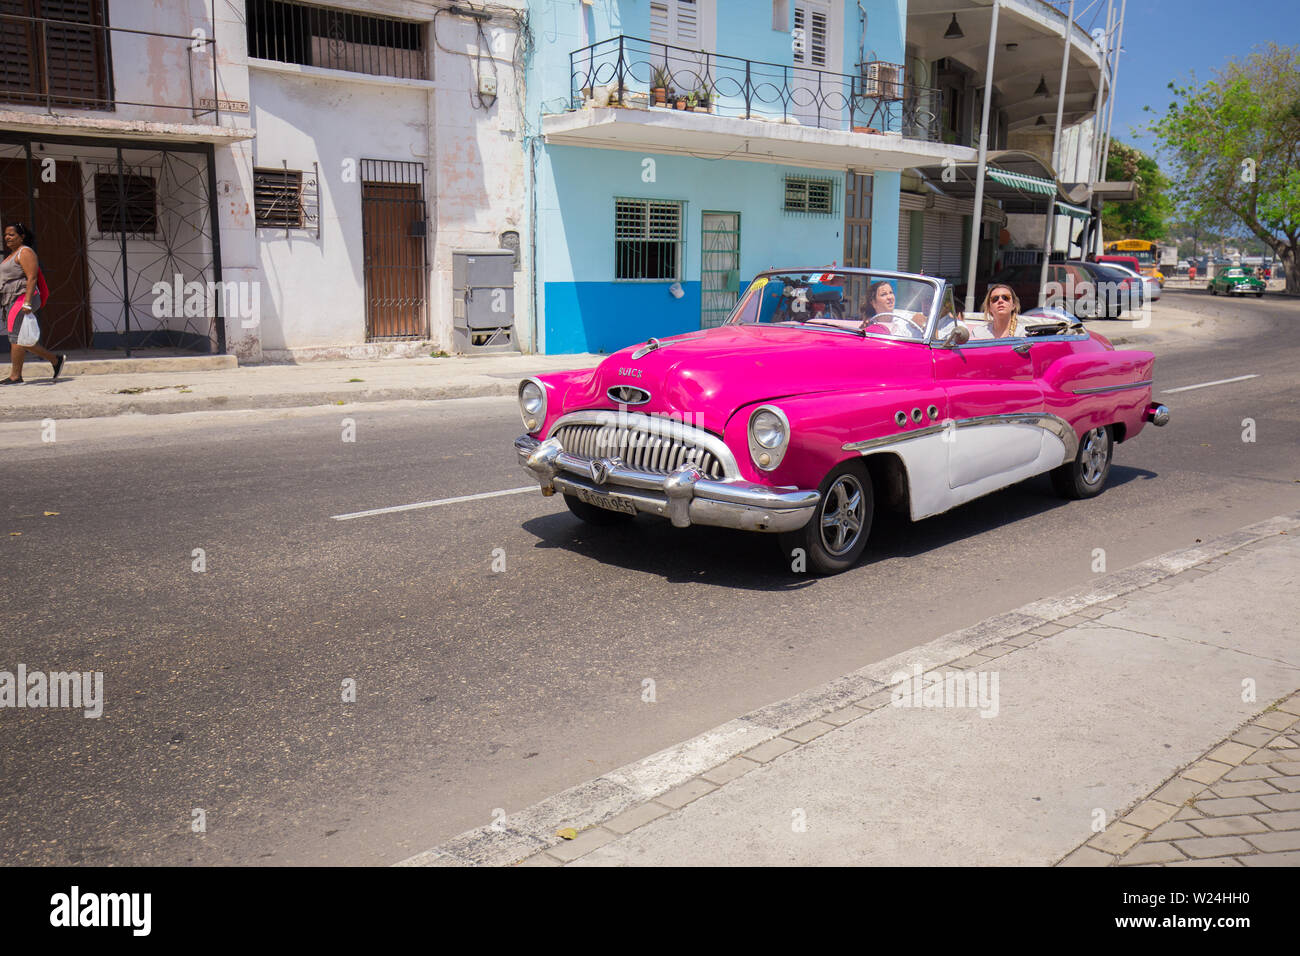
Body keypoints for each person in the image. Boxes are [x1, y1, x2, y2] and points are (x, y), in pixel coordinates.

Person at [2, 223, 63, 384]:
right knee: (20, 337)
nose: (7, 237)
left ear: (22, 237)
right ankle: (55, 360)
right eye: (5, 234)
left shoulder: (25, 252)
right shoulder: (11, 255)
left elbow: (32, 278)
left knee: (15, 336)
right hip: (12, 299)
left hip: (23, 297)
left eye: (11, 234)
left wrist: (28, 302)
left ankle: (15, 376)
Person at [861, 280, 926, 336]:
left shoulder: (906, 318)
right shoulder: (869, 324)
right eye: (883, 294)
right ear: (873, 303)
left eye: (891, 293)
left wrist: (924, 321)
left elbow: (924, 321)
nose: (890, 297)